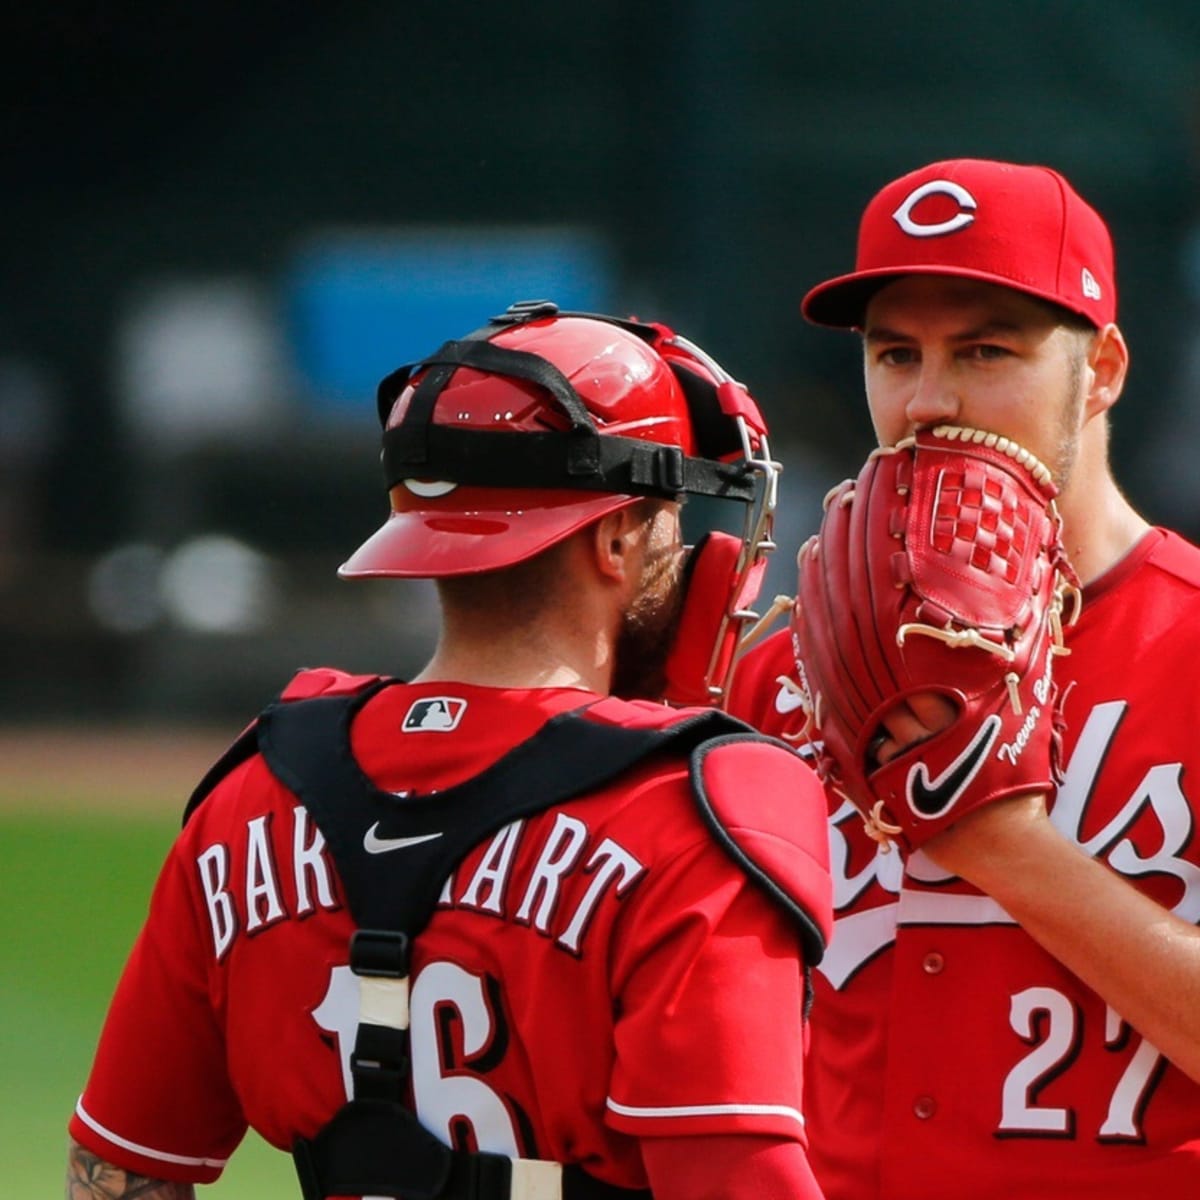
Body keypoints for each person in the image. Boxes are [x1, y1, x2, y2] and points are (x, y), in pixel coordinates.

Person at [67, 301, 834, 1200]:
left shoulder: (255, 785)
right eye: (671, 517)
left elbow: (120, 1172)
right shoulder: (699, 804)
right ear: (617, 536)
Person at [728, 158, 1200, 1197]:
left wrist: (1003, 849)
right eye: (896, 353)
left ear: (1105, 367)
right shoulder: (780, 673)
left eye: (987, 351)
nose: (932, 401)